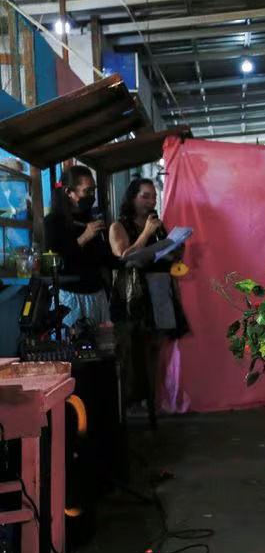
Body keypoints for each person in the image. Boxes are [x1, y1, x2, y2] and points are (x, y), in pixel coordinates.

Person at [109, 178, 187, 424]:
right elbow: (124, 256)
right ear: (132, 198)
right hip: (133, 296)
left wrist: (175, 247)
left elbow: (168, 254)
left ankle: (152, 401)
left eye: (153, 196)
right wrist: (146, 233)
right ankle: (130, 402)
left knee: (155, 348)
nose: (151, 201)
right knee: (131, 349)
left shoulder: (158, 225)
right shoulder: (118, 226)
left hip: (160, 290)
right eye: (145, 196)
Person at [43, 165, 116, 327]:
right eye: (87, 191)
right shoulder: (53, 221)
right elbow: (54, 259)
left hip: (96, 293)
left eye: (93, 191)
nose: (92, 196)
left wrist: (127, 258)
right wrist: (84, 237)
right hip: (70, 296)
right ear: (69, 193)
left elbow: (103, 256)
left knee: (102, 346)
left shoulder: (91, 218)